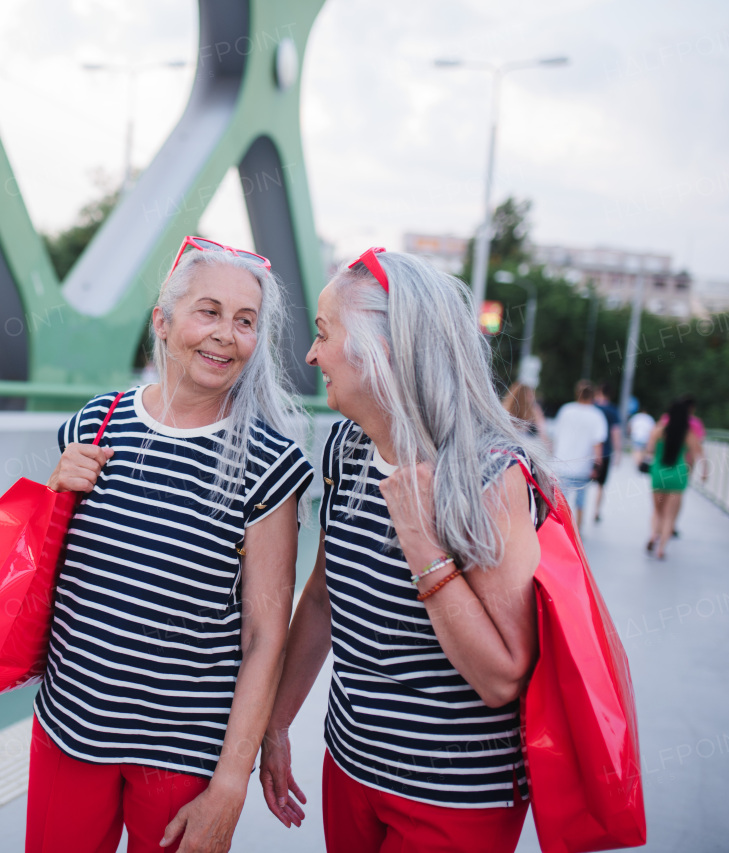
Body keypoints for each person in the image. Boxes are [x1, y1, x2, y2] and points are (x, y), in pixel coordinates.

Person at [258, 248, 553, 853]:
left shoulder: (489, 474)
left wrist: (422, 542)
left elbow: (502, 678)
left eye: (324, 334)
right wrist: (278, 722)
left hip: (453, 796)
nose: (312, 356)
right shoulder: (347, 444)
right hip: (351, 767)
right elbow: (322, 599)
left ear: (380, 350)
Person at [29, 236, 314, 853]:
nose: (225, 335)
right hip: (67, 727)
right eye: (207, 311)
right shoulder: (95, 424)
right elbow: (51, 564)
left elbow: (266, 637)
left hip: (182, 752)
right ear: (162, 321)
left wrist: (230, 787)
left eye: (245, 322)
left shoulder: (269, 464)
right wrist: (56, 486)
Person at [640, 395, 704, 559]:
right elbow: (697, 454)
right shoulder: (688, 434)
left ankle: (654, 534)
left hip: (659, 474)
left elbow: (649, 450)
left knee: (657, 511)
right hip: (678, 476)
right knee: (670, 515)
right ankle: (661, 549)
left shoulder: (659, 430)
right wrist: (703, 472)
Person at [550, 381, 608, 530]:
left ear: (577, 393)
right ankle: (578, 529)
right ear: (593, 395)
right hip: (583, 466)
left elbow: (556, 436)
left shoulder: (566, 410)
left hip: (562, 463)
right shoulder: (597, 415)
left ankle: (560, 530)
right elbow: (598, 444)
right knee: (581, 501)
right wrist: (598, 466)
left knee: (561, 501)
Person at [591, 383, 622, 522]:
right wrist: (618, 452)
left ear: (599, 391)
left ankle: (579, 510)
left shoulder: (593, 407)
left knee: (582, 482)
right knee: (600, 485)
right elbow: (615, 433)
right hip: (605, 451)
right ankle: (596, 511)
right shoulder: (613, 410)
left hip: (589, 451)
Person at [501, 382, 549, 448]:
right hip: (523, 448)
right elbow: (542, 433)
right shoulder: (534, 411)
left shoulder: (534, 410)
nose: (533, 399)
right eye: (530, 396)